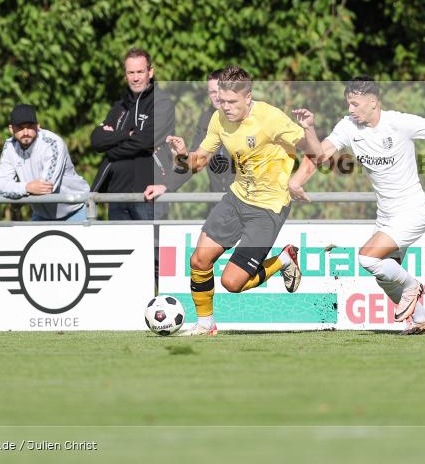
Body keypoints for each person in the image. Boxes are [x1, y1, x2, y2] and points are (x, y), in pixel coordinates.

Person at [287, 76, 425, 335]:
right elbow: (319, 156)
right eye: (349, 104)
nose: (350, 110)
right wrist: (296, 178)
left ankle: (413, 285)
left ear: (373, 102)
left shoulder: (399, 123)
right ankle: (422, 319)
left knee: (367, 257)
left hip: (413, 211)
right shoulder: (348, 126)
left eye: (355, 104)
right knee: (384, 277)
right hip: (386, 216)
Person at [165, 66, 322, 336]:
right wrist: (182, 155)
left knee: (232, 282)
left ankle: (284, 259)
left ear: (248, 97)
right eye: (222, 100)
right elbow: (198, 162)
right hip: (236, 199)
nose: (225, 107)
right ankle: (205, 324)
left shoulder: (270, 118)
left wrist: (307, 133)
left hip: (268, 209)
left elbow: (317, 154)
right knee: (199, 260)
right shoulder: (218, 119)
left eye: (232, 102)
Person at [91, 48, 175, 220]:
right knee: (121, 247)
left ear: (150, 72)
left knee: (151, 247)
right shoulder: (120, 106)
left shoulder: (162, 103)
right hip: (116, 195)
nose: (135, 78)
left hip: (149, 195)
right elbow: (97, 140)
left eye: (140, 72)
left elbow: (144, 141)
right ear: (125, 75)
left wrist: (112, 148)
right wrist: (126, 134)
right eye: (131, 72)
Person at [144, 69, 234, 202]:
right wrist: (166, 185)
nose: (217, 97)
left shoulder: (251, 118)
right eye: (212, 92)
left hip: (250, 204)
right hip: (219, 202)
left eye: (220, 91)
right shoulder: (206, 119)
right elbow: (197, 160)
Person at [0, 104, 90, 221]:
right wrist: (26, 187)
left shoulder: (53, 143)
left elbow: (47, 187)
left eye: (30, 127)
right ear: (11, 129)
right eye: (20, 127)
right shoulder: (9, 146)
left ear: (38, 126)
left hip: (76, 209)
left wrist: (16, 188)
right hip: (41, 215)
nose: (25, 132)